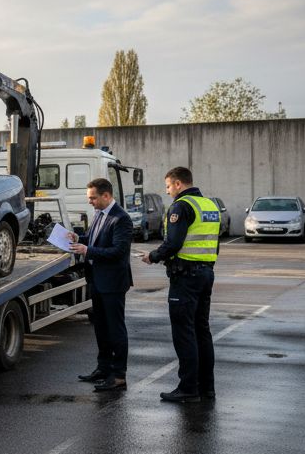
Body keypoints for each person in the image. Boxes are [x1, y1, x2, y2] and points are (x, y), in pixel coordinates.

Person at [139, 166, 220, 404]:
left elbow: (173, 243)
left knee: (184, 333)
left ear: (178, 184)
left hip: (185, 277)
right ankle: (207, 388)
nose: (167, 192)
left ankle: (188, 388)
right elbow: (214, 244)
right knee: (201, 331)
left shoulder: (181, 206)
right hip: (205, 273)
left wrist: (153, 256)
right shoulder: (209, 205)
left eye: (168, 187)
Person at [66, 178, 133, 392]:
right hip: (97, 279)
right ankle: (103, 368)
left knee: (116, 330)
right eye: (89, 198)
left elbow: (118, 252)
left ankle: (119, 375)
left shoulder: (121, 219)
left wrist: (87, 251)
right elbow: (95, 240)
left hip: (113, 283)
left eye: (93, 198)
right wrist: (80, 238)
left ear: (106, 195)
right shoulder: (99, 214)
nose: (91, 202)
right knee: (101, 329)